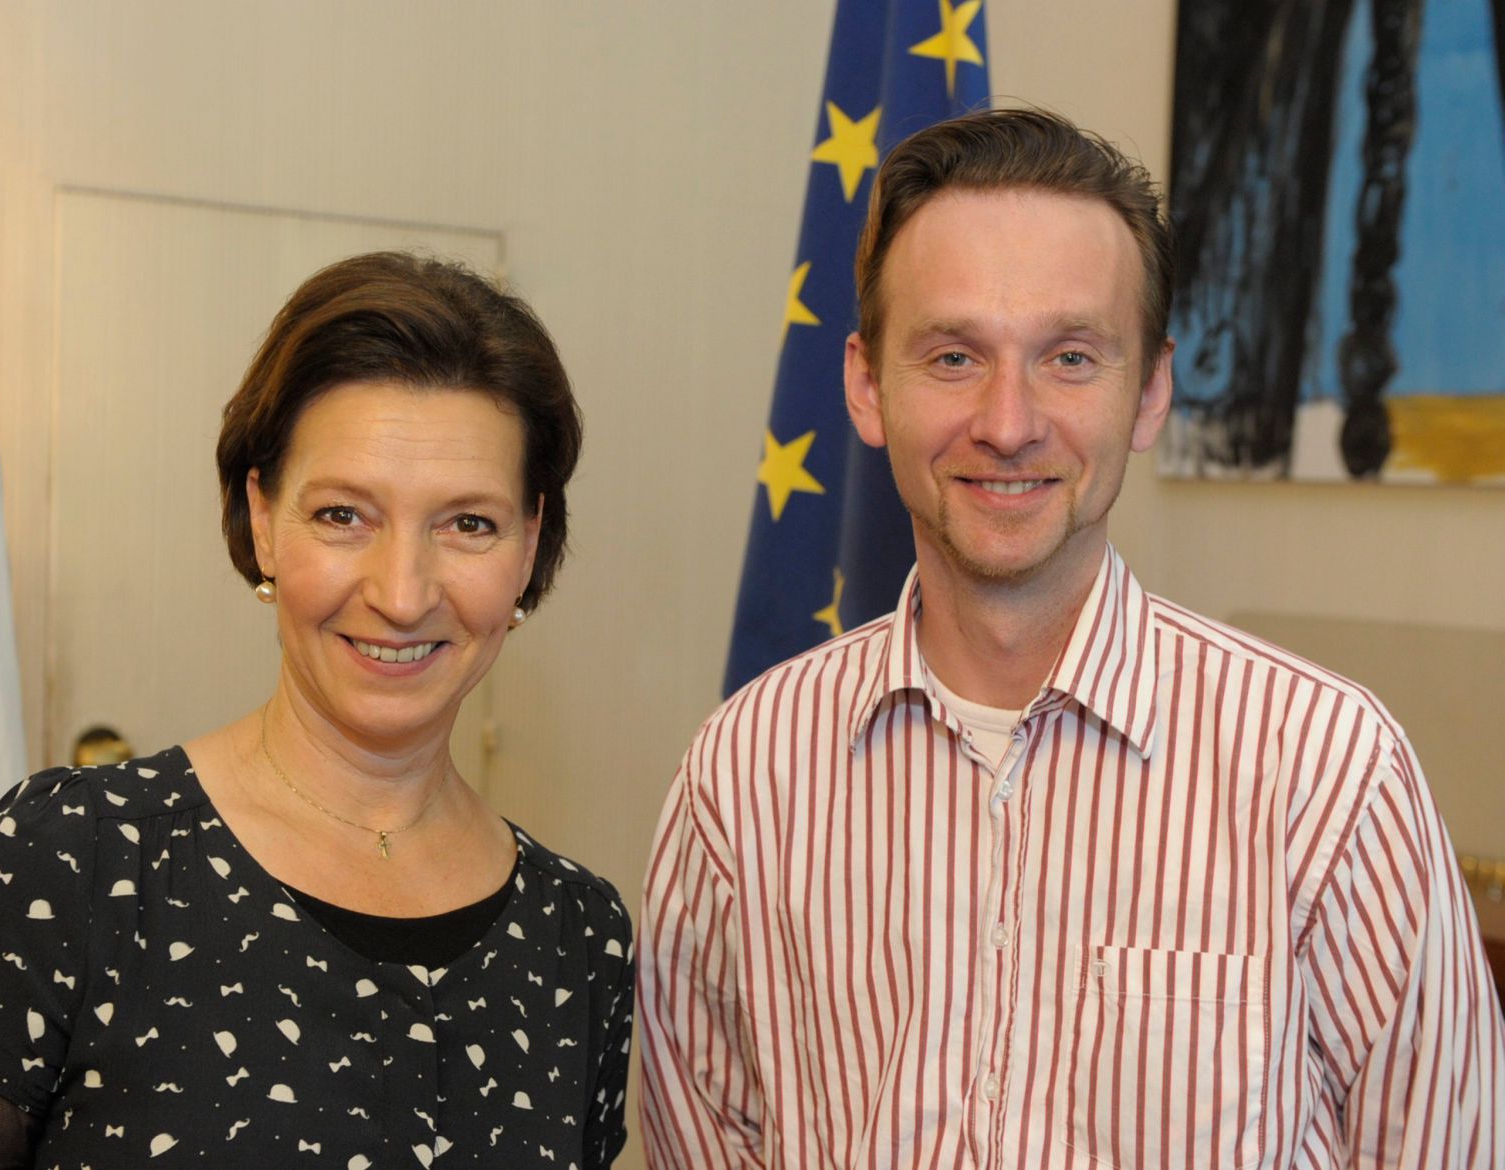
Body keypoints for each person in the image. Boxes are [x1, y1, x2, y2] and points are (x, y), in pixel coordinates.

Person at [639, 109, 1505, 1168]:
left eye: (1070, 357)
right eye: (953, 356)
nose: (1008, 423)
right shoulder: (743, 777)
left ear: (1149, 391)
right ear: (866, 385)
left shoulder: (1326, 773)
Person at [0, 252, 634, 1168]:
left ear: (529, 543)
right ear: (262, 518)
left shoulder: (580, 938)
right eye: (344, 515)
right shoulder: (77, 863)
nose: (403, 593)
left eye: (468, 524)